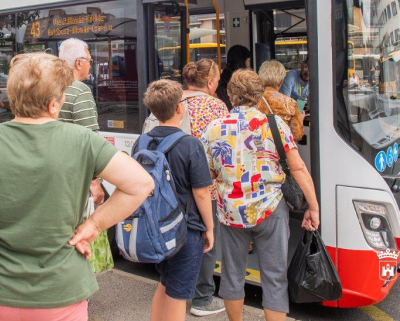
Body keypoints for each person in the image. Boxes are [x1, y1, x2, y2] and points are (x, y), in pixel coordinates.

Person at [0, 52, 153, 320]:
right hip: (61, 293)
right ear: (53, 105)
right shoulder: (82, 141)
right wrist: (94, 225)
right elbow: (141, 184)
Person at [202, 69, 320, 321]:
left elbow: (208, 175)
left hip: (231, 211)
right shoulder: (273, 124)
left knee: (233, 274)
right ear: (258, 95)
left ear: (231, 95)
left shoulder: (214, 128)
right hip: (271, 209)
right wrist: (313, 206)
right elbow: (298, 168)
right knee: (274, 276)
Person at [135, 79, 214, 321]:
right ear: (180, 108)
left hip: (156, 227)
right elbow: (201, 192)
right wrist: (209, 228)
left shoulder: (143, 141)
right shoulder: (190, 144)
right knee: (179, 294)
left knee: (165, 282)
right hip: (184, 229)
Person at [179, 60, 229, 317]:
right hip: (204, 187)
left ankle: (177, 292)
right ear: (209, 82)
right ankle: (202, 299)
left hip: (174, 186)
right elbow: (225, 148)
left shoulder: (173, 101)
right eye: (218, 80)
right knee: (206, 240)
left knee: (180, 238)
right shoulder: (216, 106)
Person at [58, 38, 111, 274]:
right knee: (82, 232)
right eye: (90, 61)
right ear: (79, 63)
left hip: (57, 176)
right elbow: (89, 140)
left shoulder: (51, 86)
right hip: (76, 178)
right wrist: (95, 182)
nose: (91, 65)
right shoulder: (79, 91)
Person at [257, 60, 305, 141]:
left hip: (258, 150)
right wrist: (300, 119)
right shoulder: (290, 103)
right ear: (281, 81)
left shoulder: (253, 100)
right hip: (278, 151)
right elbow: (296, 135)